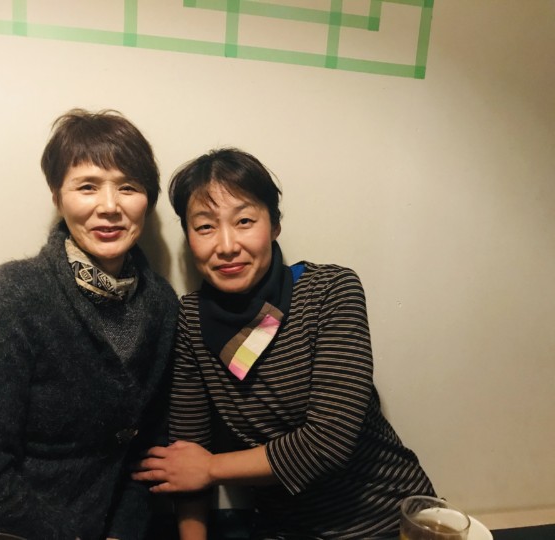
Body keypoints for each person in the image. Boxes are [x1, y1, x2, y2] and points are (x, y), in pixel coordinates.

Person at [0, 109, 179, 540]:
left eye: (128, 187)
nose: (109, 206)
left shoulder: (161, 305)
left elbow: (147, 452)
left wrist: (122, 532)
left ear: (147, 199)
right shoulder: (12, 294)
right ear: (57, 198)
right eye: (87, 186)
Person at [132, 148, 436, 540]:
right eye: (205, 226)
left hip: (389, 517)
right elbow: (186, 457)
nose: (226, 245)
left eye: (244, 221)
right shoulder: (190, 320)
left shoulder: (329, 291)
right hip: (285, 528)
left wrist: (211, 468)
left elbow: (328, 440)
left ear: (274, 224)